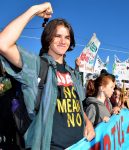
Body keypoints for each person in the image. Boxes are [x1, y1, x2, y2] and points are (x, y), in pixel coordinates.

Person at [0, 2, 95, 149]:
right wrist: (34, 10)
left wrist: (87, 122)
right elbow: (3, 43)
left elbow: (77, 106)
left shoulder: (72, 73)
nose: (63, 41)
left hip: (80, 145)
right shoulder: (37, 66)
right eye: (57, 36)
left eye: (67, 37)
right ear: (48, 38)